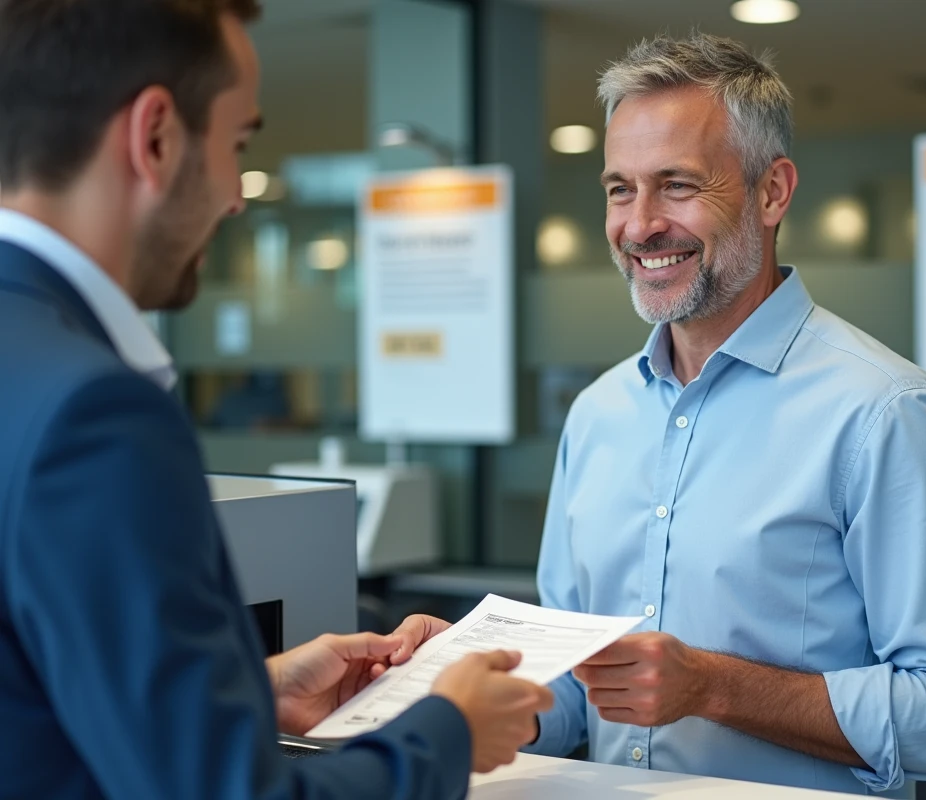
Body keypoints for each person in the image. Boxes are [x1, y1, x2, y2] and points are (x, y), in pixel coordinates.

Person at [392, 33, 926, 798]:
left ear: (773, 192)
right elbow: (579, 697)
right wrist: (456, 685)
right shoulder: (597, 416)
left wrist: (712, 687)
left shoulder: (885, 415)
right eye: (620, 189)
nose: (640, 225)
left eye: (677, 185)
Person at [0, 2, 551, 799]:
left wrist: (249, 692)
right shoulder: (95, 414)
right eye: (237, 145)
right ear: (154, 138)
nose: (234, 196)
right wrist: (448, 732)